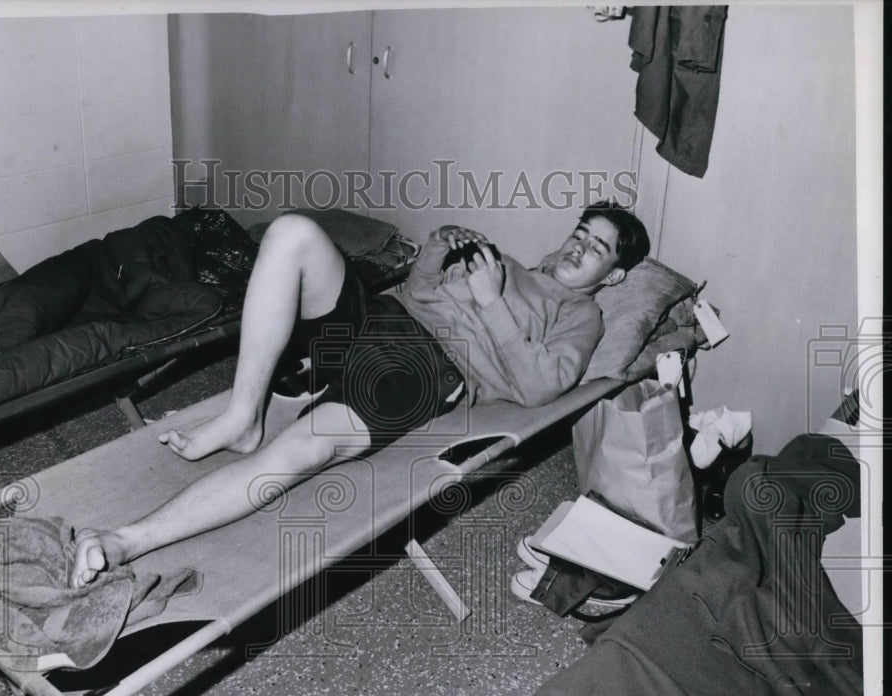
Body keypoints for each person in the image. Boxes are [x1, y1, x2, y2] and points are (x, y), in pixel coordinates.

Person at [69, 201, 649, 588]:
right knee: (292, 232)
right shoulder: (505, 262)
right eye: (580, 233)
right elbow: (419, 294)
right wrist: (433, 255)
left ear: (614, 274)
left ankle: (124, 542)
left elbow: (541, 387)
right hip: (381, 318)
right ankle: (243, 414)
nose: (578, 247)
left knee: (300, 449)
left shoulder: (582, 317)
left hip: (422, 369)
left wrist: (492, 299)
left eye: (597, 248)